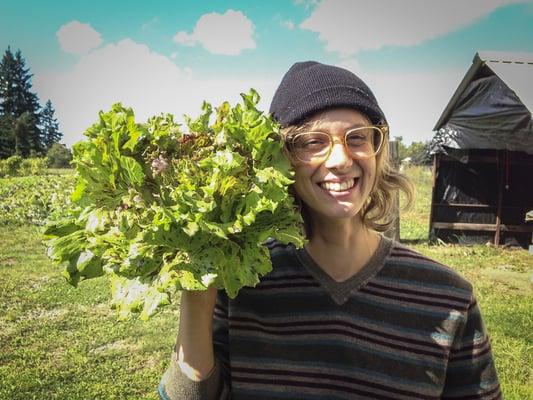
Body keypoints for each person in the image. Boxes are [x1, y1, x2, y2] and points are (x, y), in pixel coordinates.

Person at [158, 61, 501, 399]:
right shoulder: (243, 284)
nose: (340, 159)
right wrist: (197, 293)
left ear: (377, 150)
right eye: (313, 142)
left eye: (357, 138)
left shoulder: (448, 298)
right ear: (279, 160)